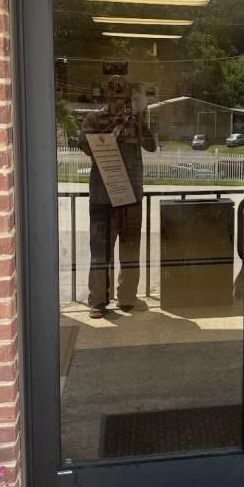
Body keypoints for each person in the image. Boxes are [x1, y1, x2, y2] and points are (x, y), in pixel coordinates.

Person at [79, 77, 156, 319]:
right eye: (114, 95)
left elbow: (151, 146)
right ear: (106, 97)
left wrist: (140, 121)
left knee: (131, 250)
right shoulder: (93, 119)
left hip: (131, 196)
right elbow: (86, 146)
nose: (119, 100)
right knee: (100, 251)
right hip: (103, 198)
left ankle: (127, 297)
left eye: (123, 96)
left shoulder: (136, 121)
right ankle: (98, 301)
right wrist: (114, 124)